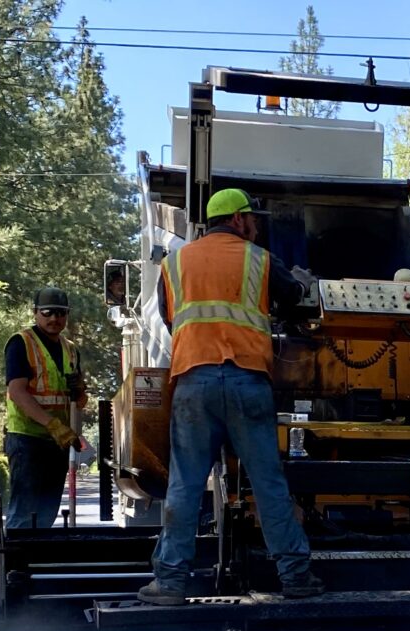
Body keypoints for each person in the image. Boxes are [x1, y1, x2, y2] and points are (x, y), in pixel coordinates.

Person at [137, 187, 324, 605]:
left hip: (194, 382)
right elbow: (294, 298)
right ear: (237, 220)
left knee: (185, 485)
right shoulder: (258, 259)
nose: (256, 226)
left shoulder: (174, 263)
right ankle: (295, 576)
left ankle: (169, 582)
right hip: (246, 380)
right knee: (268, 483)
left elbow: (172, 321)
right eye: (252, 219)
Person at [4, 287, 87, 529]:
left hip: (57, 442)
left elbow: (78, 401)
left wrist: (80, 390)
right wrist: (51, 424)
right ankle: (15, 564)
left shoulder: (70, 349)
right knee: (25, 510)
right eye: (47, 312)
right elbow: (17, 391)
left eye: (60, 313)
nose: (54, 318)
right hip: (28, 439)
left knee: (46, 512)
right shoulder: (21, 343)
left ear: (67, 315)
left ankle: (35, 563)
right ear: (35, 313)